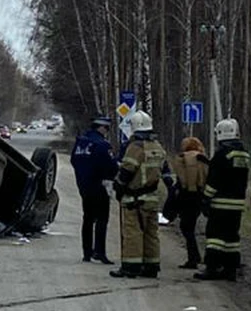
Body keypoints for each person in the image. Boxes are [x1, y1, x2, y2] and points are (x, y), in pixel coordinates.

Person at [110, 111, 167, 279]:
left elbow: (127, 171)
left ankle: (130, 267)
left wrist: (118, 187)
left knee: (132, 233)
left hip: (133, 198)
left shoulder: (135, 147)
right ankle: (151, 266)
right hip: (152, 198)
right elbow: (165, 171)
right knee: (151, 233)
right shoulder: (157, 147)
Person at [195, 118, 250, 281]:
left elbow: (214, 180)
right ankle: (230, 269)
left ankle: (211, 268)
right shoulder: (243, 154)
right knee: (232, 237)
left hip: (221, 203)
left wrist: (205, 198)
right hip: (237, 204)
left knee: (215, 237)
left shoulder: (221, 154)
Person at [70, 114, 118, 264]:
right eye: (107, 129)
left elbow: (74, 161)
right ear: (102, 128)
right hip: (100, 186)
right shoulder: (102, 145)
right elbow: (109, 166)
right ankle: (100, 252)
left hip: (84, 186)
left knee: (88, 219)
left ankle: (86, 252)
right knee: (102, 219)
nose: (107, 131)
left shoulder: (80, 143)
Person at [169, 137, 210, 269]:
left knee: (186, 227)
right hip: (199, 196)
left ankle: (194, 258)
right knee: (190, 226)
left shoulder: (182, 158)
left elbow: (181, 180)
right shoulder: (203, 158)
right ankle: (197, 256)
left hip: (186, 197)